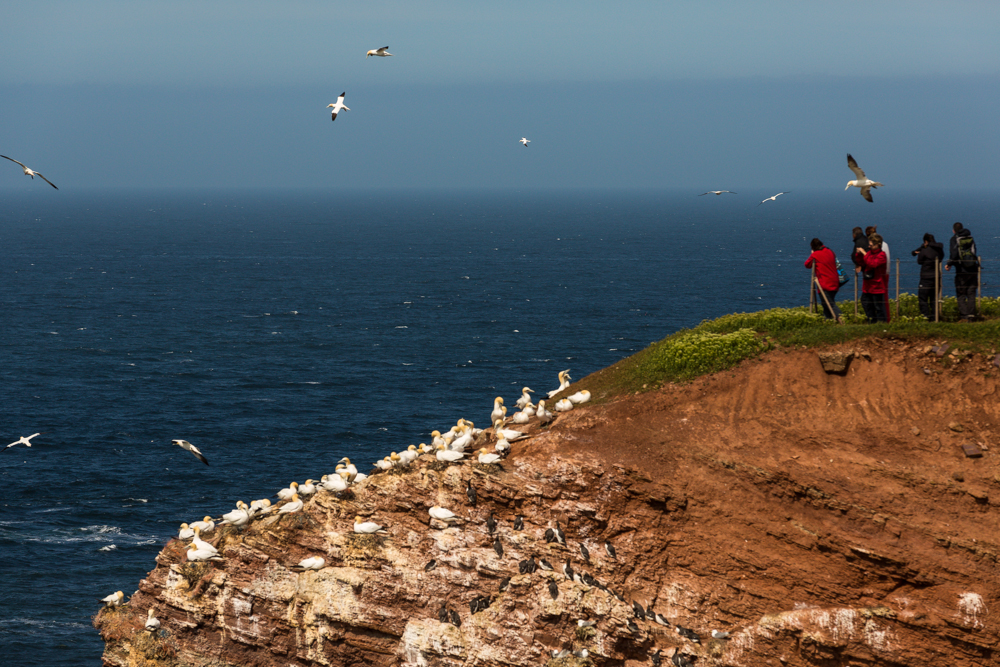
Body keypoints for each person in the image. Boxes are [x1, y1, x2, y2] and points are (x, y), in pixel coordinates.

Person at [946, 224, 979, 321]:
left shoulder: (954, 239)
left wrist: (949, 263)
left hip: (961, 270)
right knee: (971, 293)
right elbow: (974, 251)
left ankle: (964, 316)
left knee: (961, 293)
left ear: (954, 230)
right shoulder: (970, 237)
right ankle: (972, 315)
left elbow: (954, 254)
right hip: (972, 269)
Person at [804, 238, 842, 322]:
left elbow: (807, 264)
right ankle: (828, 321)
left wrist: (812, 254)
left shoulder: (816, 254)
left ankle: (842, 319)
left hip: (825, 283)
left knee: (829, 304)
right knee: (826, 304)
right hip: (835, 281)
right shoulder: (830, 251)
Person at [912, 233, 944, 321]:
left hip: (926, 278)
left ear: (926, 241)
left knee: (923, 299)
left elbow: (919, 261)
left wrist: (922, 249)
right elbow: (941, 258)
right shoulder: (939, 250)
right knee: (933, 299)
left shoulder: (924, 251)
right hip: (936, 278)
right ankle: (935, 318)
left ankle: (925, 317)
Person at [857, 233, 888, 323]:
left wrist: (864, 253)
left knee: (879, 308)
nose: (869, 246)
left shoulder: (882, 255)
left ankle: (882, 326)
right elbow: (863, 262)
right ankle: (872, 323)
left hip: (877, 287)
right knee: (867, 306)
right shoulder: (869, 253)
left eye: (871, 244)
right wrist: (859, 255)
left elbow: (872, 263)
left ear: (877, 245)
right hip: (867, 286)